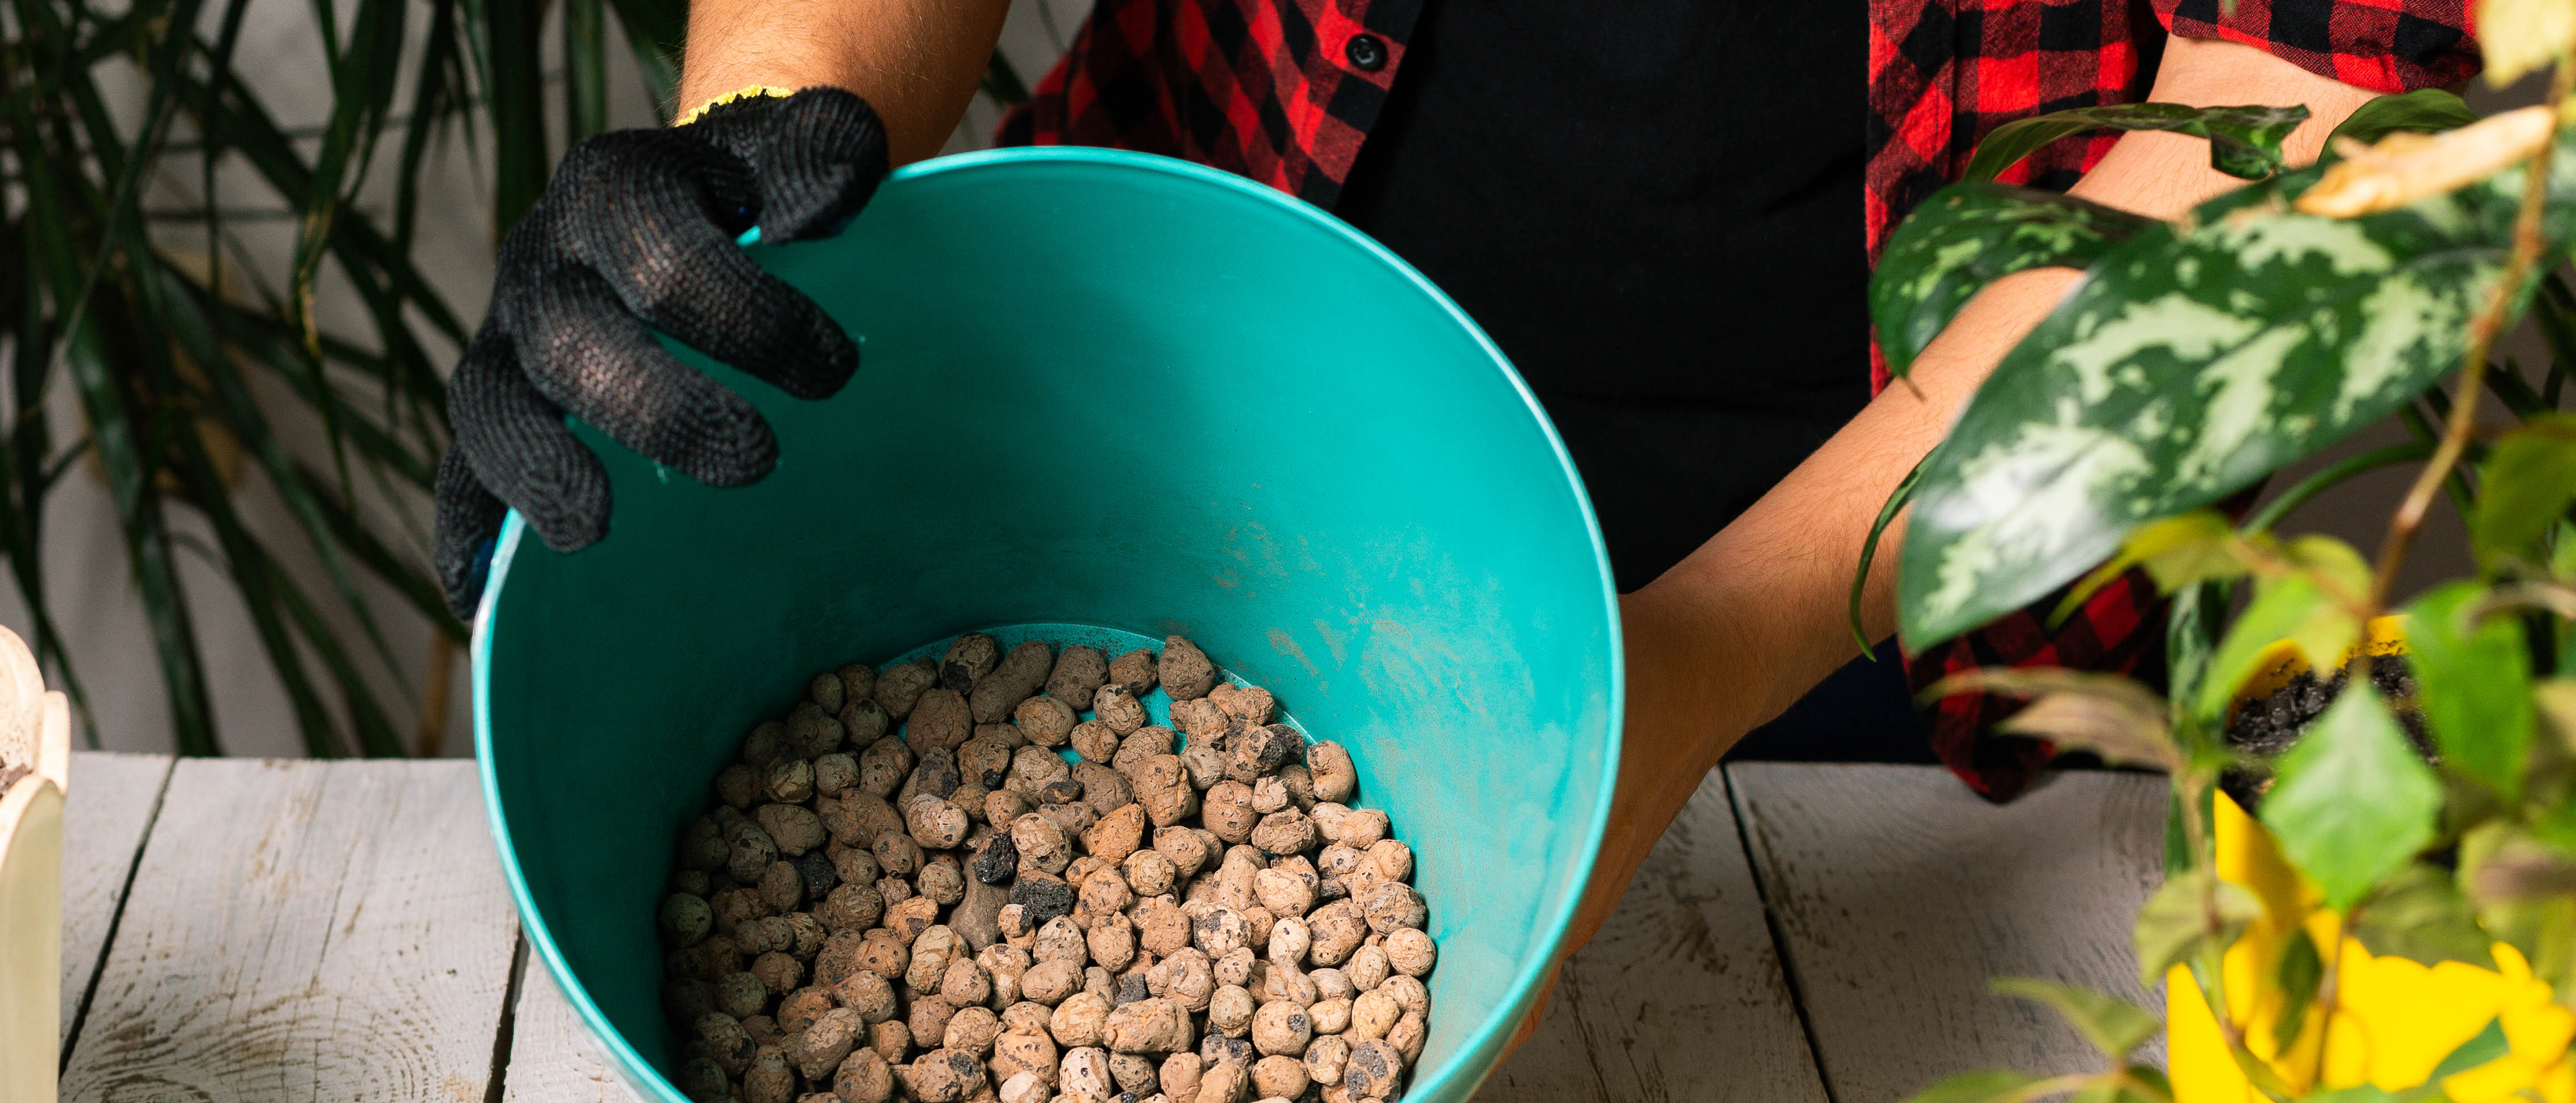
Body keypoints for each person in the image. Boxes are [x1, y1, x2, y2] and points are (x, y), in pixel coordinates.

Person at [433, 0, 2475, 993]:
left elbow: (2294, 116)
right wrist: (739, 174)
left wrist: (1680, 668)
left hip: (1926, 584)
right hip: (1170, 442)